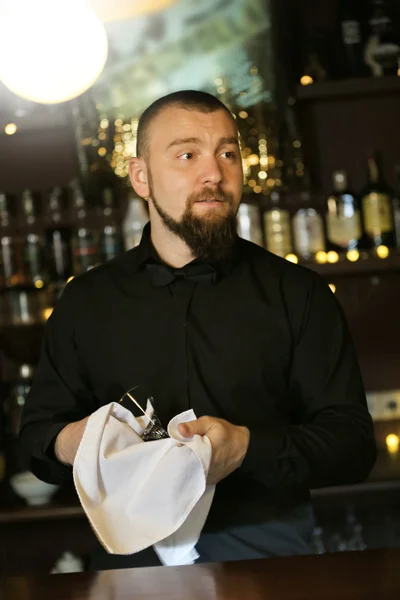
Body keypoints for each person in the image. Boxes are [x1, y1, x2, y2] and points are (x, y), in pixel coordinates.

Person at [20, 90, 376, 570]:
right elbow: (37, 440)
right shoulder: (85, 301)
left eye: (227, 153)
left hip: (268, 561)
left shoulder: (300, 293)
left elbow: (352, 447)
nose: (214, 173)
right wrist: (78, 440)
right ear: (141, 177)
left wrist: (247, 448)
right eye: (187, 155)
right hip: (132, 564)